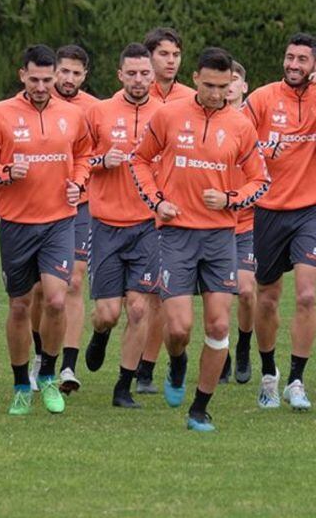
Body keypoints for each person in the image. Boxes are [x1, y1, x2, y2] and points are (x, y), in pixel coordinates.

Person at [129, 47, 270, 431]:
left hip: (221, 238)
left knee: (218, 326)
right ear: (195, 79)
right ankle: (177, 363)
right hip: (175, 236)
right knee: (178, 329)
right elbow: (139, 160)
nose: (216, 93)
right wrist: (157, 201)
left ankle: (199, 408)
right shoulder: (169, 115)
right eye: (209, 85)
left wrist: (230, 199)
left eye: (223, 87)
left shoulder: (241, 125)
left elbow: (261, 180)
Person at [0, 45, 91, 416]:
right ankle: (22, 383)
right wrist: (5, 173)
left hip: (59, 221)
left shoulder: (72, 115)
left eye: (47, 79)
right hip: (17, 224)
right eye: (34, 79)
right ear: (22, 74)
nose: (41, 86)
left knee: (56, 299)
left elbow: (85, 155)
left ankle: (50, 375)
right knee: (20, 306)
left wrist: (79, 182)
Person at [244, 32, 316, 411]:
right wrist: (261, 150)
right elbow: (238, 143)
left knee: (306, 295)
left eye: (302, 59)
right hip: (268, 211)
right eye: (289, 57)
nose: (293, 65)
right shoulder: (262, 98)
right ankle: (269, 375)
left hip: (310, 212)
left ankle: (296, 381)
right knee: (268, 299)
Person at [81, 43, 161, 408]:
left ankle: (123, 387)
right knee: (108, 313)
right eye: (132, 74)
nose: (139, 80)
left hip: (148, 226)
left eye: (145, 73)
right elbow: (78, 160)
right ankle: (99, 334)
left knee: (140, 308)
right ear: (120, 75)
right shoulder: (98, 112)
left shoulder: (166, 114)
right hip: (106, 226)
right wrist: (101, 160)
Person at [25, 45, 100, 393]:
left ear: (85, 75)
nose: (68, 79)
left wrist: (82, 179)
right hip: (37, 208)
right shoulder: (32, 102)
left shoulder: (94, 110)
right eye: (63, 72)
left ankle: (67, 367)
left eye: (75, 73)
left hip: (79, 207)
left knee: (73, 281)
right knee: (39, 290)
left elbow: (94, 156)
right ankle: (41, 355)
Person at [136, 27, 193, 392]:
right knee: (132, 301)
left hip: (172, 212)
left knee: (158, 294)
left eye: (175, 55)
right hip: (133, 207)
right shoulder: (134, 96)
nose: (170, 61)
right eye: (163, 54)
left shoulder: (192, 98)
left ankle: (146, 368)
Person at [220, 60, 257, 384]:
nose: (228, 86)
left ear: (244, 86)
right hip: (211, 221)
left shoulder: (254, 123)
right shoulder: (205, 119)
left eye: (234, 80)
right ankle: (221, 352)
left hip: (246, 220)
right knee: (217, 294)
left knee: (245, 291)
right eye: (223, 81)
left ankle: (244, 345)